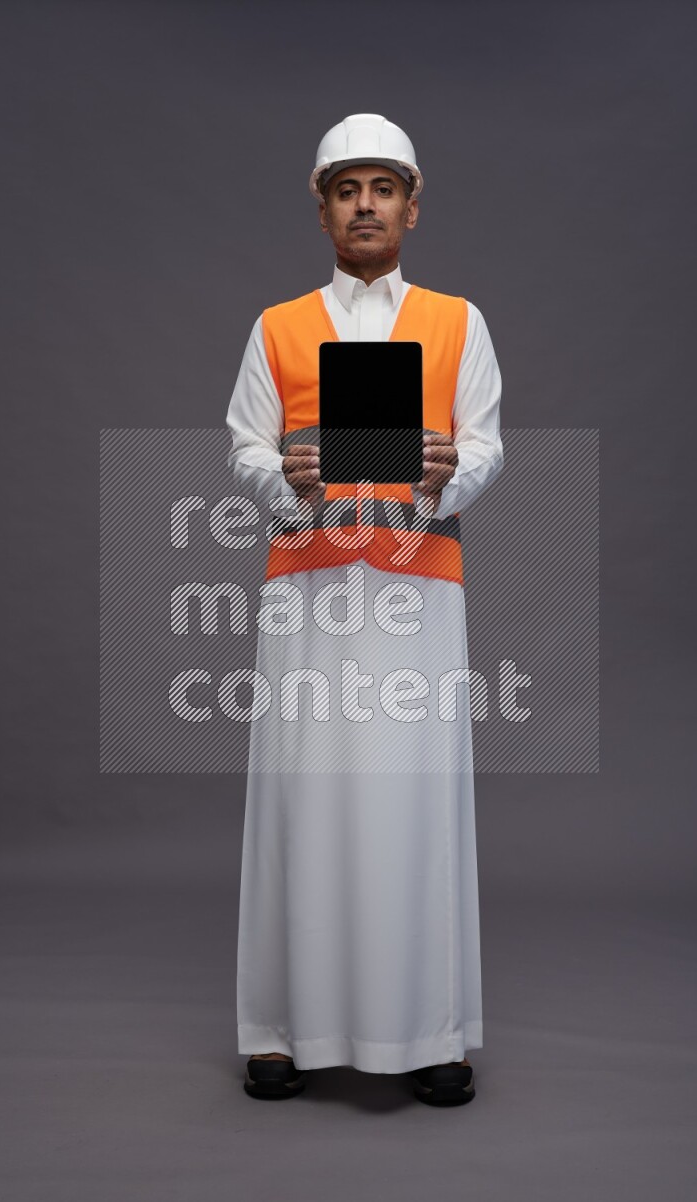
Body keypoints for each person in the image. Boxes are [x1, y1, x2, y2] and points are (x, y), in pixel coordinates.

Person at [225, 113, 504, 1106]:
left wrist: (448, 469)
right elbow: (245, 447)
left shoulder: (456, 321)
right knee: (302, 793)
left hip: (416, 586)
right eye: (346, 188)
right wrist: (283, 478)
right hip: (306, 586)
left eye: (382, 187)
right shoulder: (277, 326)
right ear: (322, 208)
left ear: (411, 206)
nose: (365, 204)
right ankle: (278, 1025)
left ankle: (424, 1029)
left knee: (411, 792)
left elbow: (485, 444)